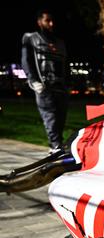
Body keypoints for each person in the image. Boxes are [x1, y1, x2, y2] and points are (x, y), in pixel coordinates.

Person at [21, 9, 68, 152]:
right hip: (44, 86)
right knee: (50, 116)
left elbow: (65, 64)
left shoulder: (60, 43)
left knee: (61, 118)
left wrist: (68, 84)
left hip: (60, 86)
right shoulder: (30, 38)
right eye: (47, 20)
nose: (51, 24)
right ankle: (55, 145)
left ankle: (56, 145)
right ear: (39, 22)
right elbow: (26, 60)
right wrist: (34, 81)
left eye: (52, 20)